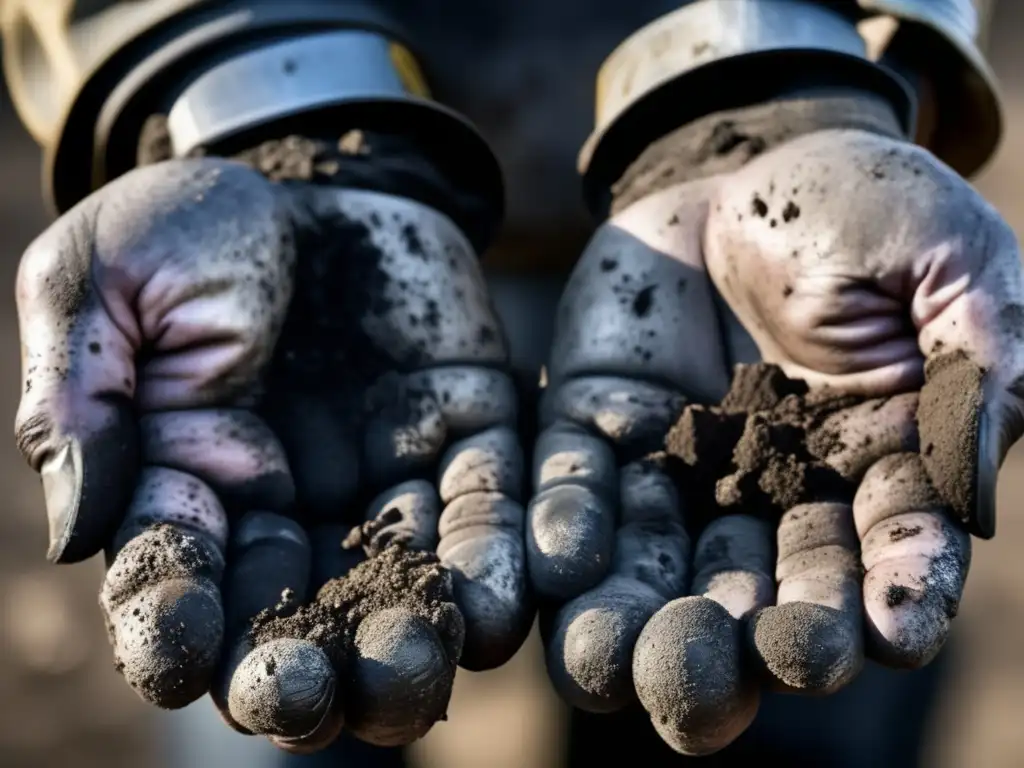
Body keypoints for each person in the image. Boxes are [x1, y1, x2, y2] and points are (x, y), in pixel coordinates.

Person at [1, 0, 1016, 765]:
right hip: (335, 175)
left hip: (755, 243)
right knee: (283, 681)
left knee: (756, 689)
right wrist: (239, 90)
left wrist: (804, 78)